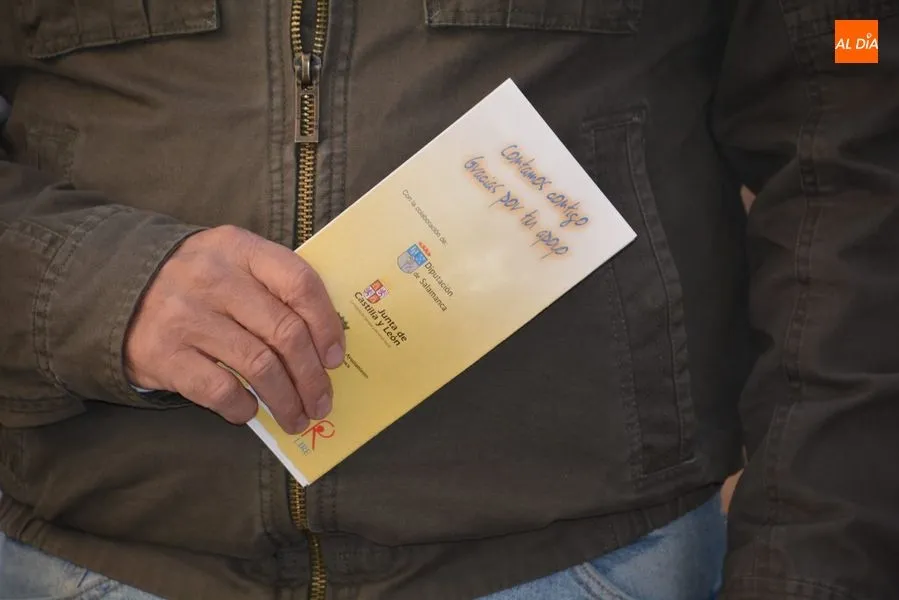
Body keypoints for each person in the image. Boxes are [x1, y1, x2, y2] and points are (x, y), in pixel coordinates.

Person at [1, 1, 897, 599]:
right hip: (90, 560)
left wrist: (814, 568)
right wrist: (87, 283)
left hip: (584, 566)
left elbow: (850, 147)